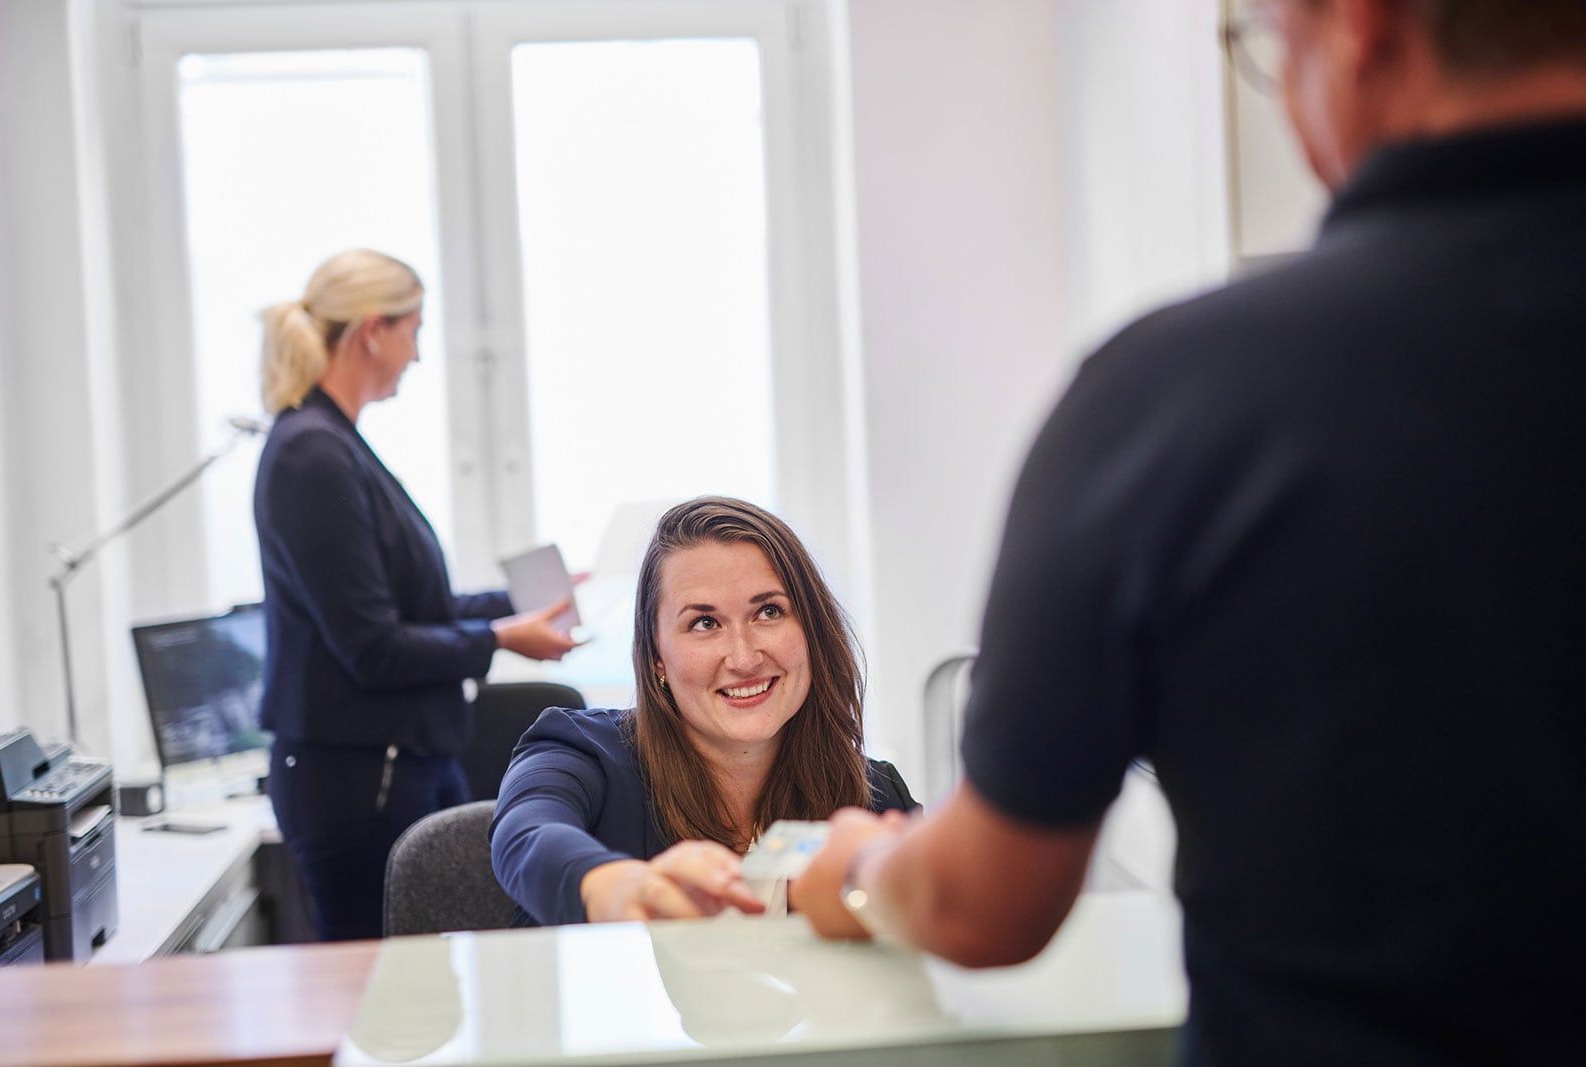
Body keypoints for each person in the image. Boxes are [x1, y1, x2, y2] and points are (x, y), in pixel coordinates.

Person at [796, 2, 1586, 1064]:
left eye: (1271, 50)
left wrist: (855, 865)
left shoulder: (1178, 401)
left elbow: (981, 902)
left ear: (1356, 31)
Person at [254, 248, 580, 941]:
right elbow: (372, 647)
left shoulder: (335, 445)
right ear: (373, 330)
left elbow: (408, 610)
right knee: (388, 999)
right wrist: (501, 637)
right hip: (360, 783)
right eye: (415, 330)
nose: (418, 354)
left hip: (402, 765)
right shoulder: (311, 455)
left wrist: (520, 602)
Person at [489, 496, 917, 925]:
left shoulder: (875, 796)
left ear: (811, 631)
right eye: (704, 623)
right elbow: (524, 835)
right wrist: (607, 884)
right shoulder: (580, 752)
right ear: (657, 656)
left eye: (768, 612)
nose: (744, 658)